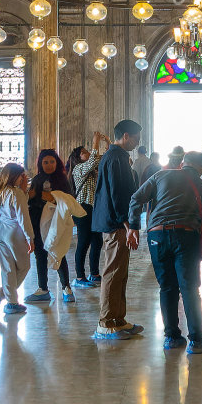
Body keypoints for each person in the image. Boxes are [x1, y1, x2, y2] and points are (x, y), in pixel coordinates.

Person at [129, 149, 202, 352]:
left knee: (167, 287)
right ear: (201, 166)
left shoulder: (161, 175)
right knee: (189, 288)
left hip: (157, 236)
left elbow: (136, 198)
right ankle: (196, 340)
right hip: (185, 235)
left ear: (182, 163)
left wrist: (133, 226)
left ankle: (171, 338)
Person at [90, 119, 144, 340]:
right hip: (116, 224)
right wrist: (128, 224)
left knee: (120, 272)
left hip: (117, 222)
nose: (137, 143)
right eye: (136, 139)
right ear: (125, 136)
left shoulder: (116, 156)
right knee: (113, 272)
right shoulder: (115, 158)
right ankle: (106, 323)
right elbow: (119, 195)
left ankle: (119, 320)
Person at [26, 149, 75, 303]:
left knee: (58, 252)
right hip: (37, 221)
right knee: (40, 254)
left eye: (52, 162)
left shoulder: (62, 179)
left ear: (57, 162)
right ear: (40, 163)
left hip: (55, 222)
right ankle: (43, 288)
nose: (48, 165)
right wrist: (34, 196)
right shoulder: (37, 179)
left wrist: (53, 198)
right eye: (45, 162)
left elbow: (69, 200)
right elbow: (30, 199)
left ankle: (66, 287)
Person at [0, 162, 33, 315]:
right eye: (22, 176)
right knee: (24, 266)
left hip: (1, 231)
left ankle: (11, 301)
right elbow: (23, 218)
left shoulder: (1, 190)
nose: (23, 178)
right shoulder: (16, 193)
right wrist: (30, 238)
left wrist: (24, 190)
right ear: (15, 176)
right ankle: (3, 296)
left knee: (8, 269)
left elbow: (17, 206)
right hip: (15, 233)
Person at [70, 138, 104, 287]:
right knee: (84, 242)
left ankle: (94, 273)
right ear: (78, 158)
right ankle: (79, 277)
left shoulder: (92, 170)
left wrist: (108, 142)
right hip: (82, 208)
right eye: (84, 153)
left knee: (97, 241)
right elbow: (91, 162)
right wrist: (95, 142)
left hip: (93, 208)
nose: (88, 153)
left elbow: (102, 160)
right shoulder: (78, 169)